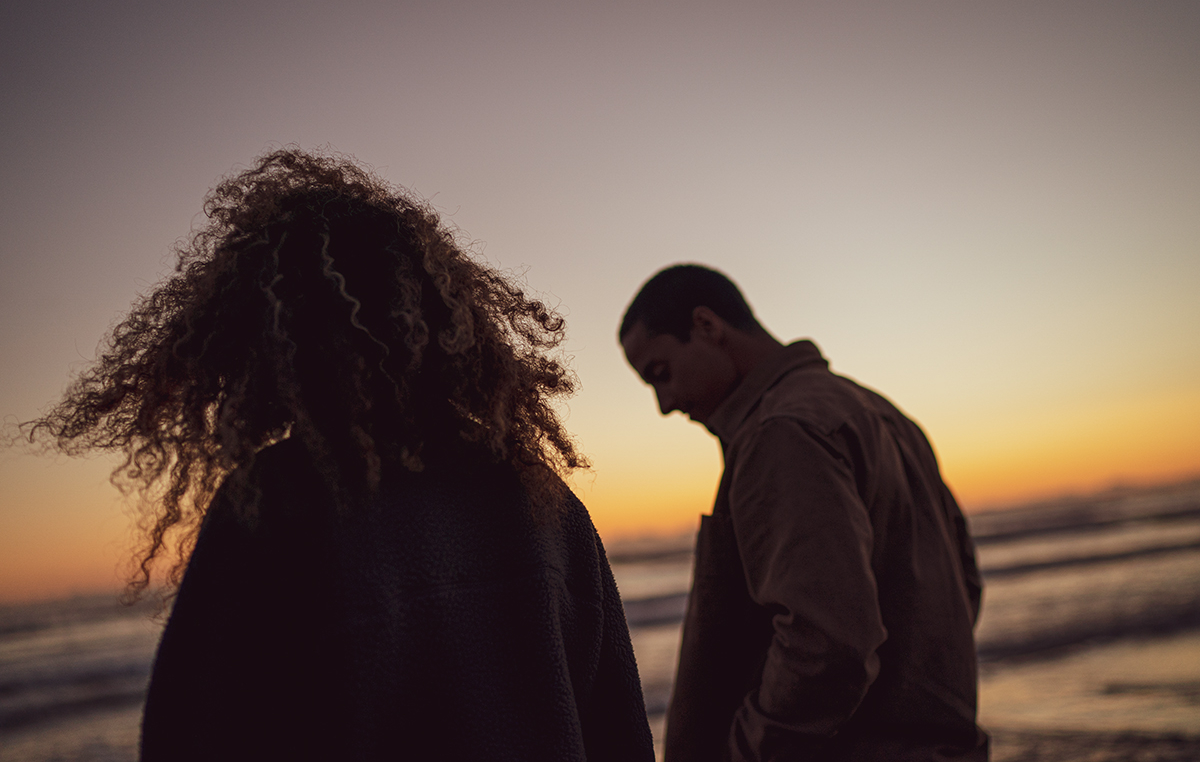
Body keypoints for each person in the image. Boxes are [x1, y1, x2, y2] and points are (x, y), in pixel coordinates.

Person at [28, 149, 655, 761]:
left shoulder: (278, 505)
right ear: (448, 324)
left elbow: (192, 734)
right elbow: (620, 731)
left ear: (267, 342)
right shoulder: (539, 499)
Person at [619, 264, 988, 762]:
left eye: (660, 374)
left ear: (707, 326)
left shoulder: (782, 431)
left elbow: (828, 642)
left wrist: (748, 751)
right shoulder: (879, 411)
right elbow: (964, 584)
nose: (664, 404)